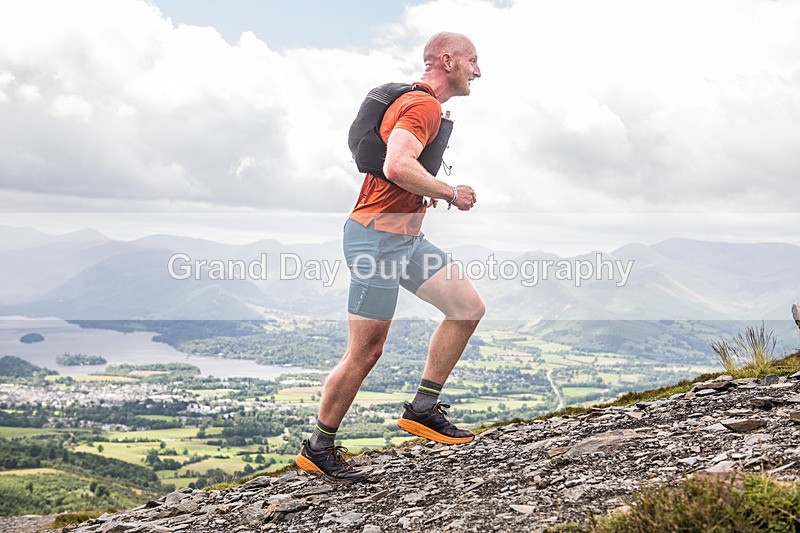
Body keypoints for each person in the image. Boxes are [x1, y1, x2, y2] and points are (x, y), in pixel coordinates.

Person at [296, 31, 484, 482]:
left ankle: (423, 408)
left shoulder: (424, 106)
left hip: (404, 241)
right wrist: (450, 192)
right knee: (366, 351)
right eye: (473, 60)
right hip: (376, 241)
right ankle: (318, 448)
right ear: (447, 61)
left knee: (467, 308)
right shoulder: (423, 106)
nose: (479, 70)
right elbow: (396, 166)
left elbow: (399, 168)